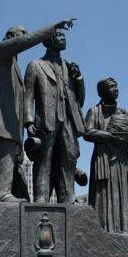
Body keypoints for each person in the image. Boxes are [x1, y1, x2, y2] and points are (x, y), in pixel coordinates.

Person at [0, 19, 76, 202]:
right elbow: (26, 42)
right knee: (6, 155)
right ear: (11, 37)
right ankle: (1, 194)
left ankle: (4, 193)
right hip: (3, 121)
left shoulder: (12, 64)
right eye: (22, 34)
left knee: (10, 158)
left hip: (12, 124)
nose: (25, 37)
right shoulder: (0, 52)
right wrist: (52, 28)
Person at [23, 28, 85, 204]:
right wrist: (28, 121)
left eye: (63, 35)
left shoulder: (70, 67)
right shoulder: (36, 65)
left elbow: (80, 99)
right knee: (44, 158)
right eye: (58, 35)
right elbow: (27, 96)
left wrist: (79, 78)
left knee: (69, 157)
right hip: (46, 119)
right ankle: (41, 196)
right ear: (47, 41)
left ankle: (67, 196)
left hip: (68, 119)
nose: (63, 37)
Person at [83, 77, 128, 233]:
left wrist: (121, 138)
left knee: (122, 192)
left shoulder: (123, 112)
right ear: (102, 91)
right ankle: (101, 229)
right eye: (112, 86)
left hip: (121, 159)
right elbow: (87, 132)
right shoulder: (94, 111)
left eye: (116, 86)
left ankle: (125, 228)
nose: (116, 89)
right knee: (103, 193)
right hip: (103, 159)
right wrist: (109, 136)